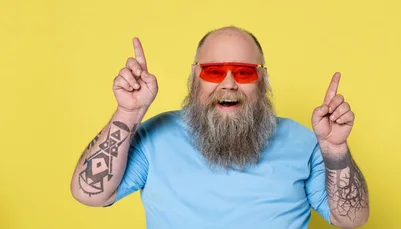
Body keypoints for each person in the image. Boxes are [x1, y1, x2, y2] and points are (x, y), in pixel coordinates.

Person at [70, 26, 369, 229]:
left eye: (243, 72)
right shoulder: (155, 136)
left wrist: (335, 150)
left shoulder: (304, 141)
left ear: (262, 80)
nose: (228, 83)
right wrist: (128, 112)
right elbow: (90, 194)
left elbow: (351, 219)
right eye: (213, 71)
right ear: (195, 78)